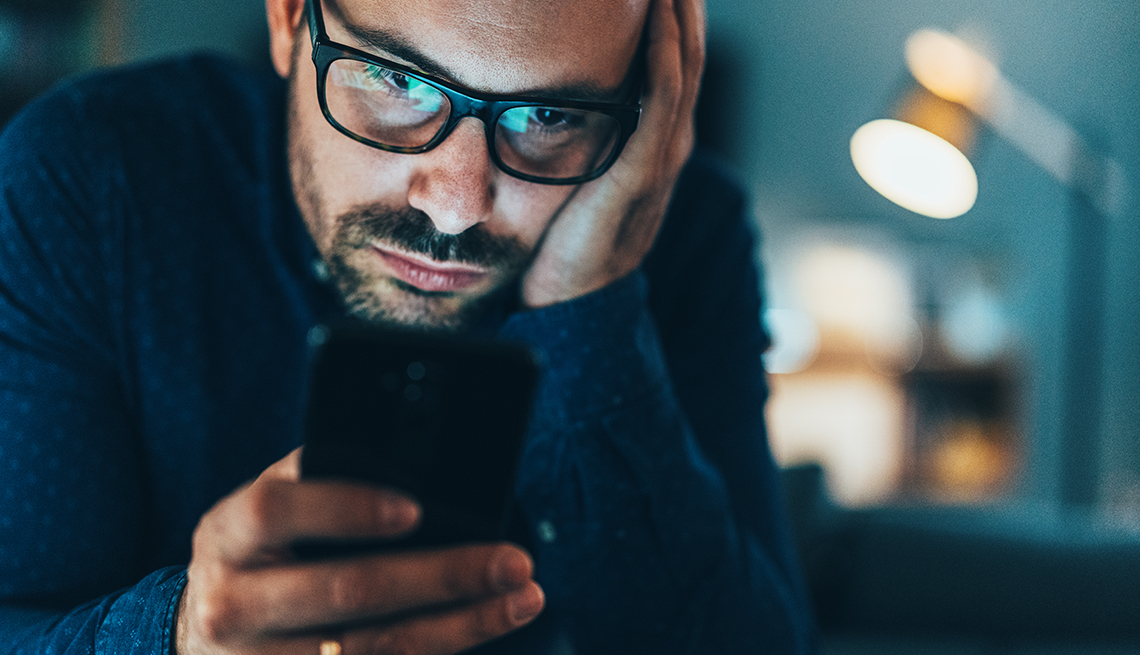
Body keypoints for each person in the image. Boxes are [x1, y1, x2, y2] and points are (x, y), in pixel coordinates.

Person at [0, 0, 816, 652]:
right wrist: (176, 636)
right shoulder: (93, 179)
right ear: (291, 20)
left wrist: (588, 308)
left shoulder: (689, 233)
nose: (456, 207)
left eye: (548, 117)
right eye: (398, 83)